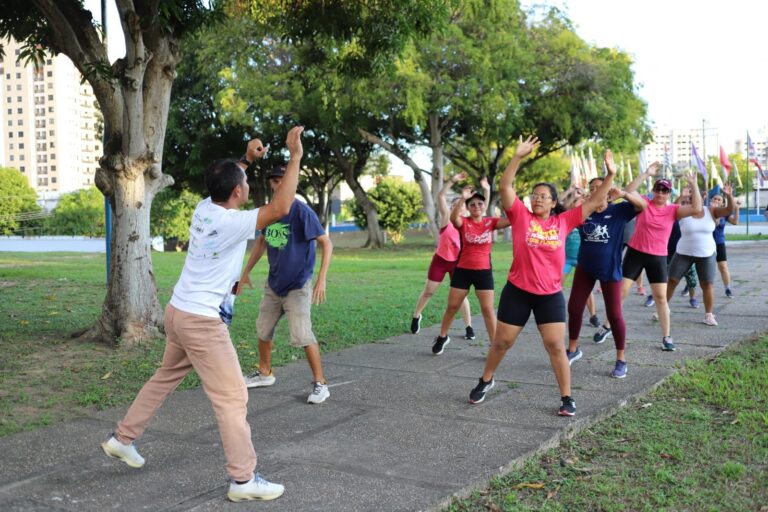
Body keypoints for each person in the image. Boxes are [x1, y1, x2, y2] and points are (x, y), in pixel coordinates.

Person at [100, 127, 305, 503]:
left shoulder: (204, 208)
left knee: (166, 376)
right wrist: (294, 157)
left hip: (178, 312)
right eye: (243, 181)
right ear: (239, 192)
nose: (244, 186)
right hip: (200, 322)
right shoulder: (232, 222)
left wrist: (245, 159)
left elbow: (225, 180)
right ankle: (243, 480)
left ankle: (122, 438)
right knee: (233, 397)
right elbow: (281, 208)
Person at [468, 138, 616, 417]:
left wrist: (610, 175)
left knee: (555, 346)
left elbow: (597, 199)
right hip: (518, 291)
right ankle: (486, 379)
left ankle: (567, 397)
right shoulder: (521, 217)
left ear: (553, 202)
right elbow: (505, 187)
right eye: (534, 195)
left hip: (549, 294)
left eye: (543, 196)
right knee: (502, 342)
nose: (537, 198)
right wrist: (517, 157)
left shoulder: (564, 221)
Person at [238, 164, 333, 404]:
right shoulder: (270, 212)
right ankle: (265, 373)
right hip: (274, 285)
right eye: (275, 180)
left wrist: (321, 278)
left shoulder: (302, 211)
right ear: (271, 183)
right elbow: (261, 242)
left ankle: (320, 384)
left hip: (297, 287)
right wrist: (246, 271)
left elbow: (326, 243)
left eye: (283, 179)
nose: (278, 184)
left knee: (302, 335)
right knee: (263, 330)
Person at [566, 176, 646, 379]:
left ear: (608, 191)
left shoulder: (618, 211)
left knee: (614, 314)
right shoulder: (584, 212)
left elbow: (642, 206)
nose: (595, 191)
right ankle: (573, 349)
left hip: (610, 269)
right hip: (585, 267)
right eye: (592, 188)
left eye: (599, 187)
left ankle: (621, 359)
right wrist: (575, 199)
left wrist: (625, 194)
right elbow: (563, 215)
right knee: (574, 308)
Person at [615, 166, 702, 351]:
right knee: (621, 291)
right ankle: (608, 325)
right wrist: (646, 174)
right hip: (635, 253)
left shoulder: (673, 210)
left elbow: (697, 208)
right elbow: (628, 191)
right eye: (658, 189)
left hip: (657, 256)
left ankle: (667, 337)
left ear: (669, 193)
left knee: (661, 297)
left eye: (665, 191)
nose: (661, 193)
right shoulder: (645, 203)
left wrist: (694, 184)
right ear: (654, 191)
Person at [432, 183, 510, 355]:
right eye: (472, 204)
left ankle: (494, 346)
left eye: (480, 204)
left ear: (484, 207)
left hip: (483, 272)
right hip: (463, 271)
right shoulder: (464, 222)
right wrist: (462, 199)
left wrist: (507, 200)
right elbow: (453, 218)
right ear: (467, 208)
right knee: (452, 306)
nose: (476, 207)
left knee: (487, 310)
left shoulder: (490, 222)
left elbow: (511, 219)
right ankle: (442, 336)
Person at [410, 173, 475, 339]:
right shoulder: (447, 219)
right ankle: (417, 315)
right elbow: (440, 195)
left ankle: (469, 327)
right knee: (428, 292)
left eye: (460, 205)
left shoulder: (468, 225)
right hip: (440, 261)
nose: (457, 207)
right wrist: (452, 181)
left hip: (457, 264)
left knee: (461, 297)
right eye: (454, 205)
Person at [666, 183, 736, 326]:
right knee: (672, 281)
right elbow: (669, 210)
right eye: (693, 196)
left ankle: (709, 315)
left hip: (707, 253)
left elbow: (729, 209)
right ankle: (662, 308)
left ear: (703, 198)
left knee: (707, 284)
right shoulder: (683, 210)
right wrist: (681, 196)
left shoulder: (711, 210)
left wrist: (728, 195)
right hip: (683, 252)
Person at [710, 189, 740, 297]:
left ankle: (728, 288)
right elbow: (713, 223)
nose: (717, 201)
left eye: (719, 200)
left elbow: (735, 222)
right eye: (715, 199)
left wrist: (736, 209)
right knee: (696, 267)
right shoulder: (705, 210)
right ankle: (689, 287)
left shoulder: (724, 213)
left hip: (719, 242)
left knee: (723, 266)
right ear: (711, 200)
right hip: (706, 243)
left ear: (722, 203)